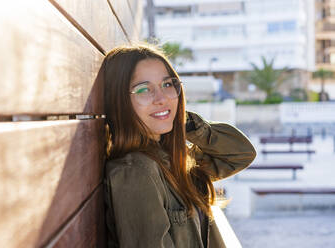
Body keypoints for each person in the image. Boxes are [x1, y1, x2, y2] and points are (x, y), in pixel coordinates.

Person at [102, 44, 256, 248]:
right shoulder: (137, 172)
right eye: (143, 89)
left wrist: (184, 123)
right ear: (119, 101)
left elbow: (241, 154)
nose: (162, 98)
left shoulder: (171, 157)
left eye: (167, 85)